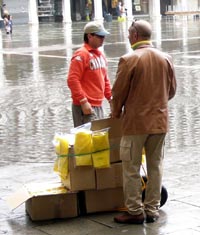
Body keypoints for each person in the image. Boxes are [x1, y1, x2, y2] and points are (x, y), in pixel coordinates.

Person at [111, 20, 177, 224]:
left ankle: (135, 211)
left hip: (135, 124)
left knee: (131, 167)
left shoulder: (128, 59)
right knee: (155, 166)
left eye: (129, 34)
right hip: (159, 122)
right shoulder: (165, 58)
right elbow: (172, 90)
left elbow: (118, 92)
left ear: (135, 35)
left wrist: (115, 112)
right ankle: (152, 209)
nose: (128, 37)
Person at [67, 21, 112, 127]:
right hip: (85, 105)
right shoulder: (81, 54)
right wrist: (83, 101)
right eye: (100, 36)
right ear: (90, 36)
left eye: (104, 36)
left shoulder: (100, 55)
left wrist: (110, 99)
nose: (103, 39)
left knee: (98, 137)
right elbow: (72, 79)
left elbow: (105, 79)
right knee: (87, 139)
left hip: (98, 104)